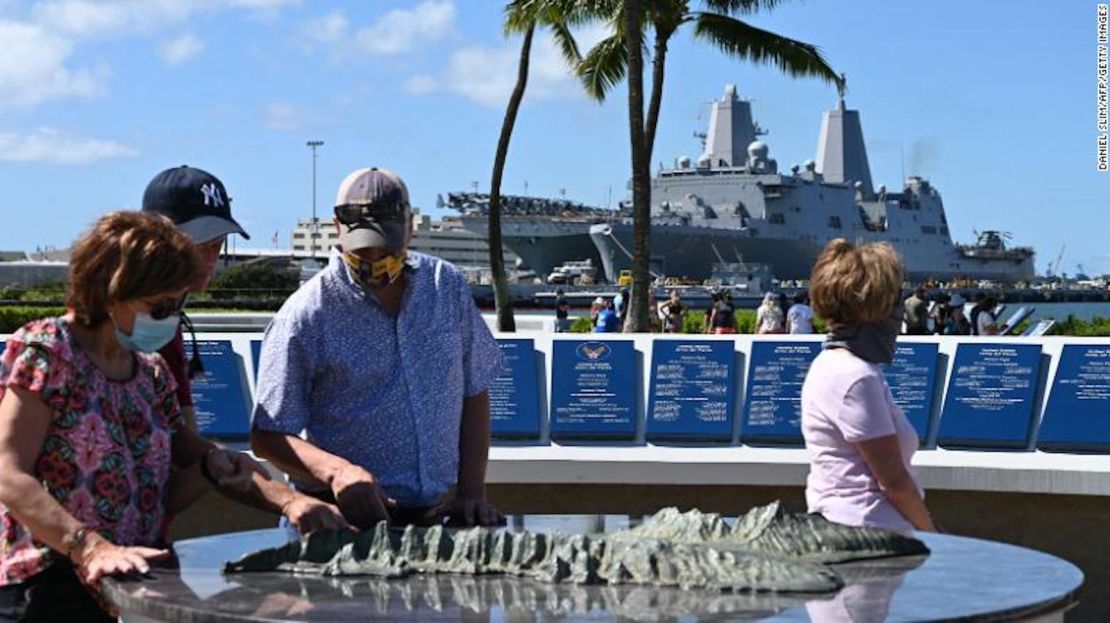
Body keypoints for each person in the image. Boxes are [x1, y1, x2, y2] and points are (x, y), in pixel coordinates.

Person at [0, 213, 346, 622]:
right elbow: (9, 473)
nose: (170, 317)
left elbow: (173, 482)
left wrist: (255, 487)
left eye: (178, 304)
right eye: (159, 305)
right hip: (48, 586)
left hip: (128, 583)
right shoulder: (48, 353)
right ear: (110, 290)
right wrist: (88, 546)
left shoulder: (151, 374)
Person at [251, 167, 505, 530]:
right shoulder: (306, 314)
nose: (374, 260)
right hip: (338, 518)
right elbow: (268, 435)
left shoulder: (445, 287)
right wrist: (337, 472)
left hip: (431, 515)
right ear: (337, 228)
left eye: (386, 247)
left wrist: (471, 494)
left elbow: (474, 389)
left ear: (410, 227)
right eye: (362, 250)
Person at [801, 238, 937, 537]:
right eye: (895, 299)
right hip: (871, 534)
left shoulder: (831, 364)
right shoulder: (856, 377)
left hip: (847, 528)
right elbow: (894, 484)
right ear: (875, 307)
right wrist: (934, 538)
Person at [142, 165, 251, 434]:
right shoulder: (119, 321)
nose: (210, 259)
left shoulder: (168, 317)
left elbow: (184, 436)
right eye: (198, 244)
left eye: (218, 244)